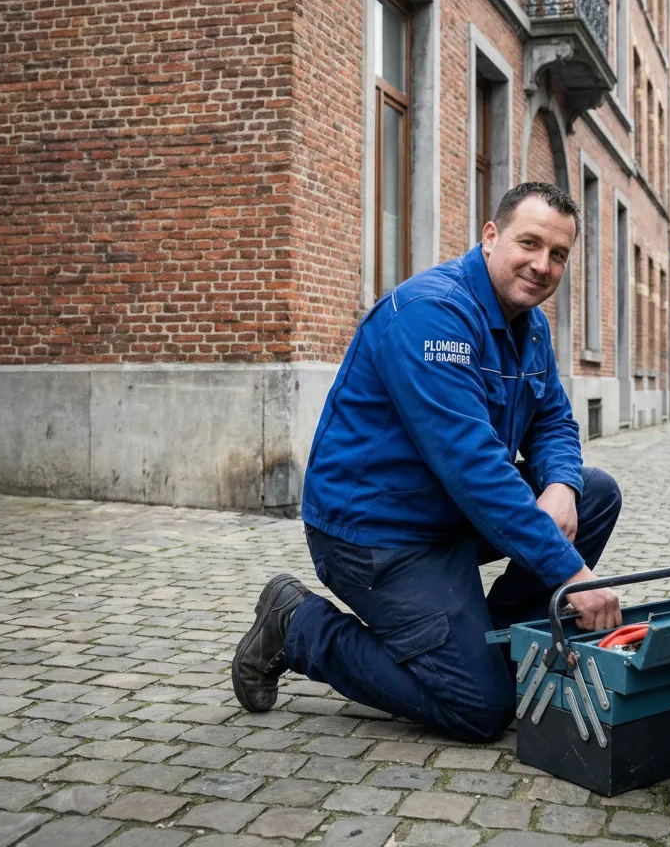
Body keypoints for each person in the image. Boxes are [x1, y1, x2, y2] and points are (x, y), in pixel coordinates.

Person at [231, 182, 623, 743]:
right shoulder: (432, 316)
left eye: (557, 254)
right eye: (529, 243)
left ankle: (500, 647)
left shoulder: (529, 325)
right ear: (491, 237)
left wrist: (561, 482)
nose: (542, 265)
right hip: (377, 534)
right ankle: (296, 624)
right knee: (480, 711)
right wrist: (571, 574)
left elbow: (554, 420)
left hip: (448, 516)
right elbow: (474, 468)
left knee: (594, 491)